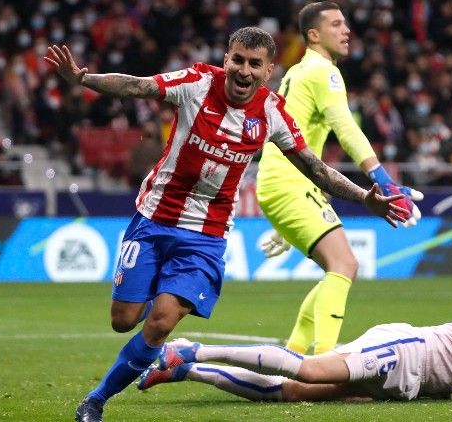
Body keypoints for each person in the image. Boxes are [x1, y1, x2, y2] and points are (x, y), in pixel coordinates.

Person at [45, 27, 410, 422]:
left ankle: (95, 402)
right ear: (226, 60)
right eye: (238, 60)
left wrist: (364, 196)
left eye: (255, 64)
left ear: (268, 71)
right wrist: (83, 79)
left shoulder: (272, 112)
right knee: (123, 322)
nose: (245, 71)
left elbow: (316, 169)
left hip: (207, 235)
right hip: (154, 217)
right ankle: (158, 292)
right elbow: (136, 87)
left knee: (161, 323)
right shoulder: (197, 83)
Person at [137, 256, 452, 402]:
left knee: (293, 393)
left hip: (416, 377)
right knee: (309, 368)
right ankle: (194, 349)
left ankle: (186, 371)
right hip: (411, 353)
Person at [256, 1, 423, 356]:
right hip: (289, 184)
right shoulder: (322, 71)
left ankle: (298, 353)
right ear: (313, 35)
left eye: (345, 23)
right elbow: (345, 127)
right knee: (344, 264)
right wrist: (382, 176)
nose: (345, 30)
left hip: (290, 183)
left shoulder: (299, 73)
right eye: (335, 24)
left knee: (339, 267)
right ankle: (324, 362)